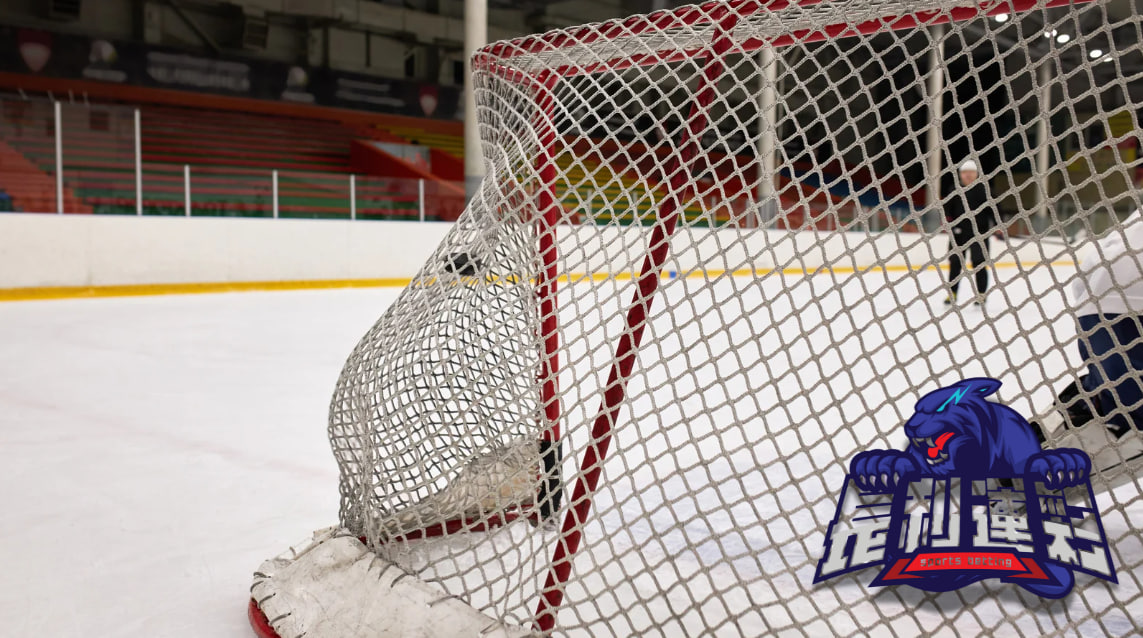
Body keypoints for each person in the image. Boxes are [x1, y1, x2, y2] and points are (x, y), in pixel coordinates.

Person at [943, 159, 999, 305]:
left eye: (971, 172)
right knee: (955, 263)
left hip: (980, 233)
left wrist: (998, 226)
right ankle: (952, 293)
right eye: (964, 173)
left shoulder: (984, 189)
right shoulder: (954, 189)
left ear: (976, 174)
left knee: (979, 262)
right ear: (960, 175)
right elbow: (947, 209)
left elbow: (994, 210)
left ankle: (981, 294)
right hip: (959, 233)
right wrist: (948, 222)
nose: (968, 175)